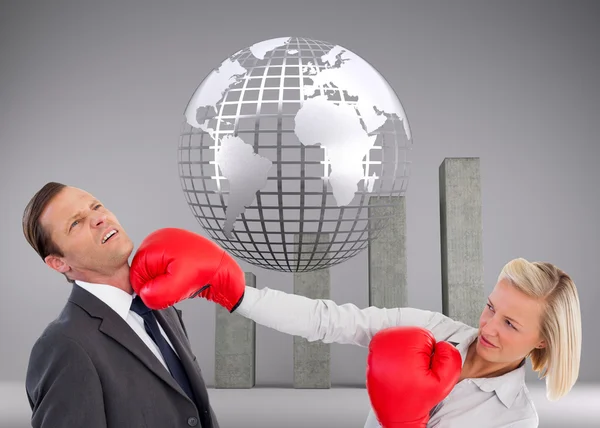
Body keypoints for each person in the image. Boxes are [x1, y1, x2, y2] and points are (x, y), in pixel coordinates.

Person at [130, 227, 583, 428]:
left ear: (542, 340)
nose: (488, 326)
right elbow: (330, 320)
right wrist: (238, 294)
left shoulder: (516, 420)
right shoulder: (434, 329)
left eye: (510, 323)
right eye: (490, 307)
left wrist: (406, 423)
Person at [22, 182, 219, 428]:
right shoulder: (62, 346)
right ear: (58, 263)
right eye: (75, 223)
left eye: (96, 206)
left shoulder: (159, 306)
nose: (98, 218)